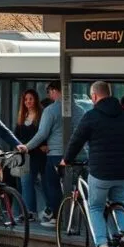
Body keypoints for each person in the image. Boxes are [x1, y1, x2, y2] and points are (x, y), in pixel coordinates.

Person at [62, 81, 124, 247]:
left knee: (96, 207)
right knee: (119, 202)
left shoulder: (91, 116)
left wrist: (66, 159)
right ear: (110, 93)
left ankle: (102, 244)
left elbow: (76, 140)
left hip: (100, 172)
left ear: (94, 96)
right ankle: (123, 236)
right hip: (122, 172)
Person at [26, 81, 84, 226]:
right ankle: (75, 219)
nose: (49, 95)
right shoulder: (80, 110)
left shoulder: (50, 110)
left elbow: (42, 133)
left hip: (56, 155)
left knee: (52, 185)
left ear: (54, 91)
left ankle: (57, 217)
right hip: (79, 154)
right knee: (74, 187)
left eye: (49, 92)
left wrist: (26, 147)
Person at [15, 89, 43, 221]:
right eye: (26, 100)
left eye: (30, 99)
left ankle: (30, 212)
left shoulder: (42, 115)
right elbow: (17, 135)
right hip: (23, 155)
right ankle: (29, 211)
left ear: (36, 99)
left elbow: (42, 135)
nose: (28, 102)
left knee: (27, 181)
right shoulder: (22, 115)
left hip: (37, 155)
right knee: (25, 183)